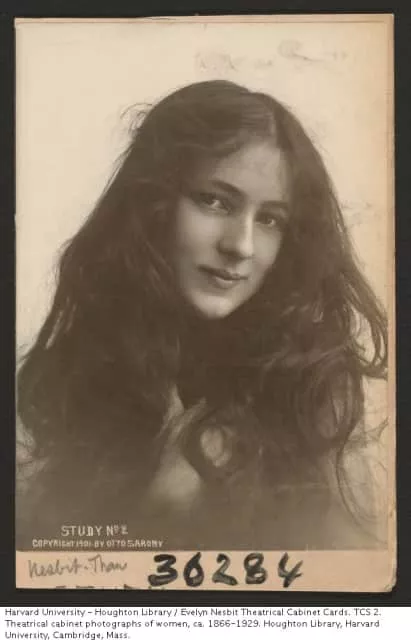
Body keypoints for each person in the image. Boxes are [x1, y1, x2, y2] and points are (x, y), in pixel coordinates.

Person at [16, 80, 388, 551]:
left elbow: (352, 581)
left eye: (270, 219)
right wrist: (157, 509)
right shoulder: (73, 368)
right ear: (153, 206)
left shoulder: (311, 384)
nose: (241, 246)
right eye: (215, 201)